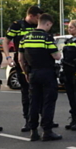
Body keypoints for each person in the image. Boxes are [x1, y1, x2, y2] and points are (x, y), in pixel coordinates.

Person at [20, 13, 62, 141]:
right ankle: (47, 131)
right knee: (48, 102)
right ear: (48, 23)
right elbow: (56, 56)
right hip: (47, 73)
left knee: (34, 102)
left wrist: (26, 73)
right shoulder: (47, 38)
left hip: (33, 73)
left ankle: (33, 131)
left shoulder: (25, 37)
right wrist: (59, 51)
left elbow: (20, 59)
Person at [4, 6, 42, 132]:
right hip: (22, 61)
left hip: (36, 61)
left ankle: (44, 119)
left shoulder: (39, 26)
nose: (39, 20)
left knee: (40, 92)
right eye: (38, 18)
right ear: (31, 15)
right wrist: (8, 57)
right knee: (26, 92)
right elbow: (6, 41)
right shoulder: (17, 25)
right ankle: (28, 120)